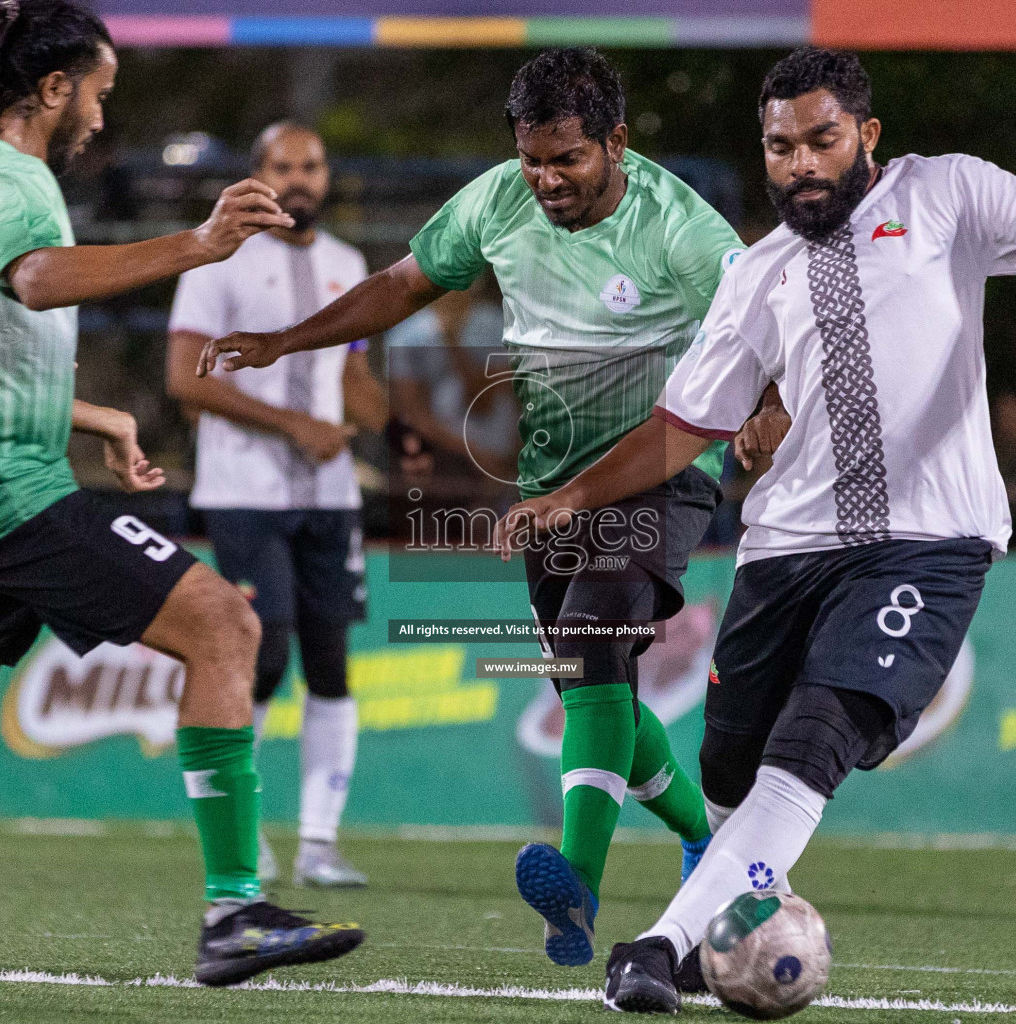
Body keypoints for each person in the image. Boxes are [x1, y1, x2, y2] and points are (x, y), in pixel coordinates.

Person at [493, 46, 1016, 1011]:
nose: (800, 163)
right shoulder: (756, 274)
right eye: (779, 147)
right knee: (726, 766)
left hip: (930, 541)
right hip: (787, 548)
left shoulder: (949, 198)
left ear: (866, 135)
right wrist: (569, 498)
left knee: (816, 736)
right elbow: (686, 426)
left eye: (821, 140)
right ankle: (741, 902)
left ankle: (663, 947)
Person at [0, 1, 362, 996]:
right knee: (221, 624)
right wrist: (196, 244)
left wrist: (90, 415)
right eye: (98, 90)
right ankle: (235, 911)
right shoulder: (14, 183)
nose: (99, 112)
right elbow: (34, 281)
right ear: (52, 87)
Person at [199, 48, 786, 968]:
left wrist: (772, 404)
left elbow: (769, 317)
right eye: (533, 160)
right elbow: (402, 285)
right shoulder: (496, 203)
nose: (547, 180)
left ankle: (579, 891)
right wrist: (285, 344)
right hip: (548, 487)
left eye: (568, 160)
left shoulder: (680, 228)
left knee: (594, 649)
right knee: (600, 696)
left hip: (663, 468)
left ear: (616, 144)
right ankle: (710, 842)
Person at [166, 120, 387, 889]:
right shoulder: (216, 258)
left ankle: (319, 844)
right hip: (244, 490)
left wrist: (389, 415)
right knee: (264, 652)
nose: (300, 179)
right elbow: (185, 379)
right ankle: (246, 834)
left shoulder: (348, 263)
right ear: (257, 174)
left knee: (330, 663)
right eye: (284, 166)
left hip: (329, 496)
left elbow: (356, 379)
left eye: (313, 166)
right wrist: (296, 423)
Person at [386, 280, 518, 484]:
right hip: (440, 447)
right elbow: (411, 411)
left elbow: (485, 401)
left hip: (496, 444)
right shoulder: (405, 334)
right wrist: (468, 452)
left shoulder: (493, 322)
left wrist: (452, 338)